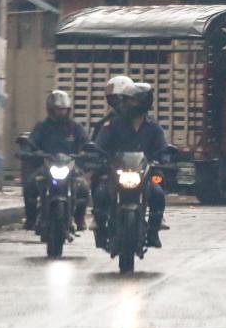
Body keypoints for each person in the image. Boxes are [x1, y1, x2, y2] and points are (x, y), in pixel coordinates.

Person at [94, 81, 169, 249]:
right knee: (101, 193)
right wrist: (97, 156)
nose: (127, 104)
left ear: (144, 102)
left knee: (157, 193)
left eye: (132, 101)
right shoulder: (112, 124)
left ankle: (153, 232)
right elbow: (100, 145)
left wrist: (164, 160)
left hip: (144, 175)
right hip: (116, 174)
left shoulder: (154, 128)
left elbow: (163, 150)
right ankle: (100, 231)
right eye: (126, 100)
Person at [23, 90, 90, 231]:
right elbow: (31, 143)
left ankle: (80, 219)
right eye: (57, 110)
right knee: (30, 185)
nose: (60, 113)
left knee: (83, 188)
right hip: (47, 166)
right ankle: (30, 219)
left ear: (68, 110)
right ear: (50, 110)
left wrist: (86, 153)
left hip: (70, 167)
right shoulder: (42, 127)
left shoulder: (75, 127)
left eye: (63, 110)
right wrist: (30, 151)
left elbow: (85, 144)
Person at [91, 75, 133, 141]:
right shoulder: (103, 124)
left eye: (116, 97)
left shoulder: (143, 122)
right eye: (111, 98)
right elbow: (95, 148)